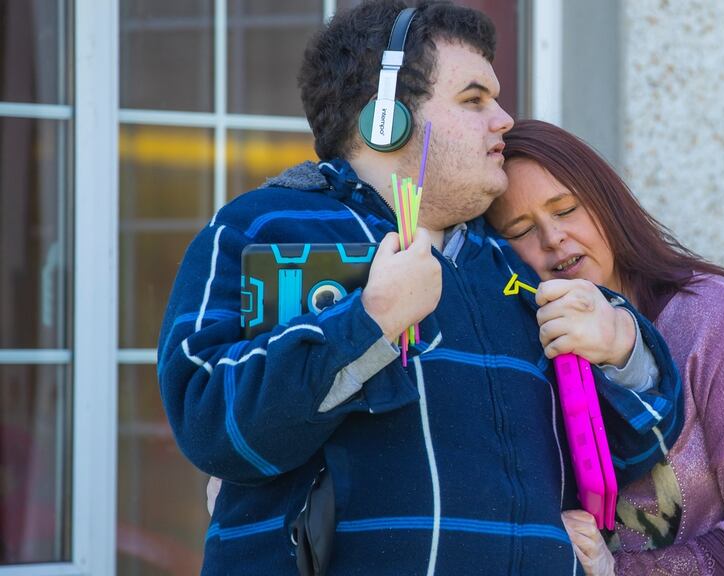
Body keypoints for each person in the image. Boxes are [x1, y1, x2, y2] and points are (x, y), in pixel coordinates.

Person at [157, 2, 684, 574]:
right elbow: (211, 422)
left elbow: (634, 459)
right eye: (474, 99)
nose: (504, 119)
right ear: (387, 118)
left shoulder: (517, 268)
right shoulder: (269, 228)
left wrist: (624, 354)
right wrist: (368, 322)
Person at [485, 119, 724, 576]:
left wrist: (621, 571)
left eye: (565, 209)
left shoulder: (708, 315)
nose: (552, 238)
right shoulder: (521, 360)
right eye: (521, 229)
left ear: (606, 202)